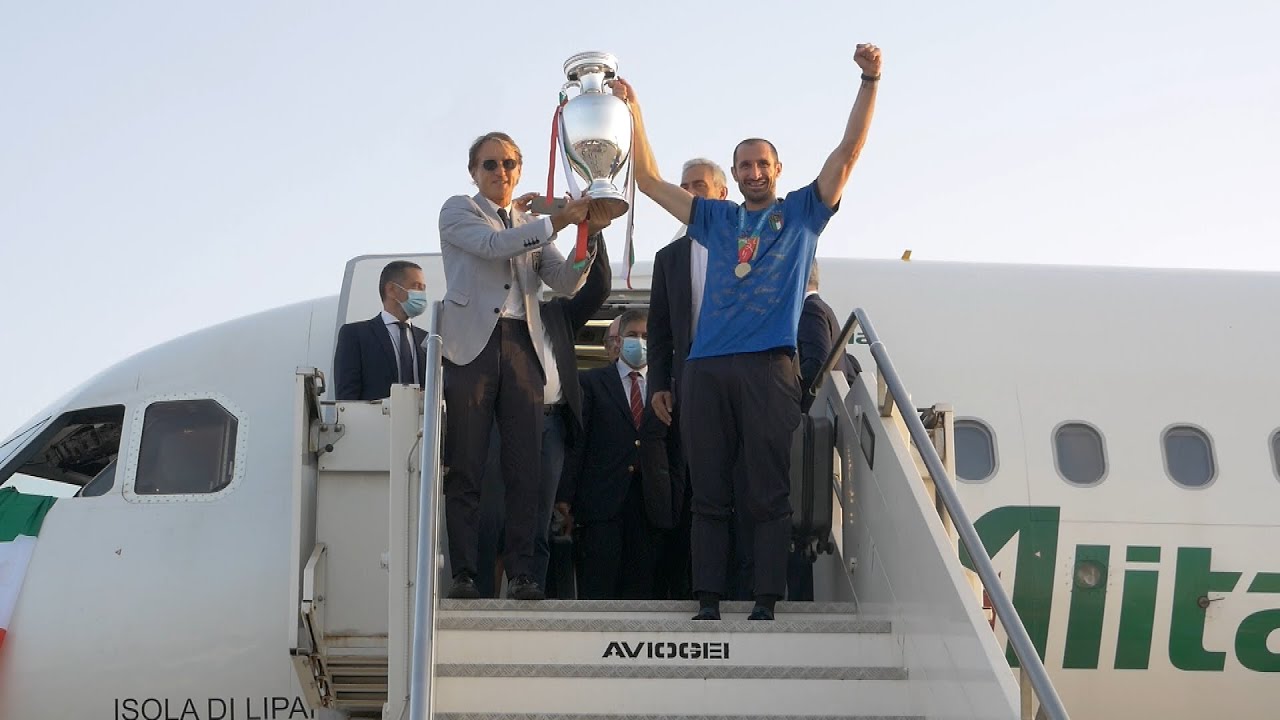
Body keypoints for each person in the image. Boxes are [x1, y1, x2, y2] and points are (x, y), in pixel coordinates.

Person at [614, 43, 883, 620]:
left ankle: (766, 598)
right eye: (744, 165)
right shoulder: (717, 218)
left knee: (766, 490)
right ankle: (707, 598)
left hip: (769, 365)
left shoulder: (803, 213)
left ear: (778, 171)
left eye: (763, 164)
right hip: (706, 369)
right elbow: (648, 179)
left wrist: (869, 80)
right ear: (732, 176)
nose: (754, 173)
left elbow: (850, 151)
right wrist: (633, 111)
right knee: (707, 490)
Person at [438, 131, 603, 601]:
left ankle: (524, 572)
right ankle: (467, 572)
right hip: (472, 344)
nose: (501, 172)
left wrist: (585, 236)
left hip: (522, 345)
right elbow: (494, 246)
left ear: (519, 171)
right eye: (490, 164)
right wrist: (557, 221)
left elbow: (562, 282)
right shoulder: (458, 210)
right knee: (467, 464)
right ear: (474, 172)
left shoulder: (531, 220)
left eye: (510, 164)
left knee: (525, 467)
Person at [474, 236, 613, 598]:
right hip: (501, 423)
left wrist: (593, 231)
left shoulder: (558, 312)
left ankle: (528, 586)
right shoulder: (492, 317)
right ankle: (484, 597)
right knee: (493, 514)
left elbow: (599, 288)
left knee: (538, 513)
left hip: (550, 423)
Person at [645, 158, 730, 599]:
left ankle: (740, 588)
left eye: (699, 186)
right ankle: (695, 589)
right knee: (693, 491)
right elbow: (659, 332)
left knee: (738, 487)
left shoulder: (743, 242)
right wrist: (659, 382)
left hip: (739, 389)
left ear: (721, 195)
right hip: (688, 390)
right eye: (683, 186)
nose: (688, 193)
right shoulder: (669, 259)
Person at [558, 309, 671, 599]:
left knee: (645, 592)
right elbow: (577, 443)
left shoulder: (666, 388)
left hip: (650, 506)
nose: (640, 341)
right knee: (598, 589)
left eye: (647, 336)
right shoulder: (592, 382)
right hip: (601, 506)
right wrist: (565, 498)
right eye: (633, 335)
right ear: (618, 342)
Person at [333, 260, 429, 401]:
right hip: (375, 422)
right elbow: (347, 400)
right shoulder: (355, 335)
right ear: (391, 289)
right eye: (416, 287)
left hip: (421, 423)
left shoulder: (428, 339)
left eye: (423, 288)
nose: (421, 294)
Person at [797, 260, 860, 414]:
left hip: (815, 410)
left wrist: (787, 383)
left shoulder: (810, 309)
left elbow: (819, 362)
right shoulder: (822, 308)